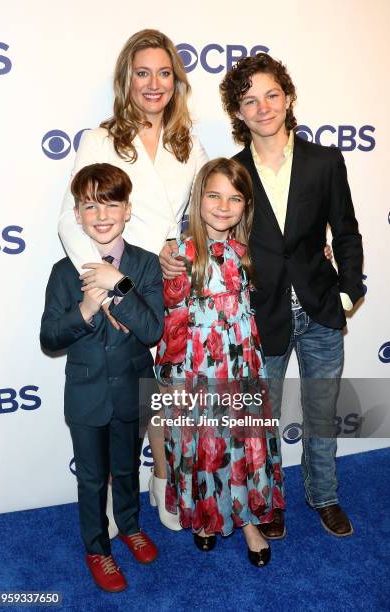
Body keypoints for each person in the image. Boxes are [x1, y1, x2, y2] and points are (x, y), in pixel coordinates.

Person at [161, 53, 364, 539]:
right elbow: (206, 230)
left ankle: (325, 495)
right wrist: (171, 255)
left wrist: (347, 294)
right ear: (239, 112)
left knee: (320, 408)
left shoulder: (324, 160)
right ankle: (264, 502)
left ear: (288, 97)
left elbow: (348, 233)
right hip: (256, 319)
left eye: (271, 95)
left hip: (319, 309)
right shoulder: (233, 171)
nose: (263, 107)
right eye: (250, 101)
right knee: (258, 418)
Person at [58, 29, 207, 533]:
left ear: (176, 80)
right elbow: (69, 219)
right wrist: (100, 293)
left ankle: (161, 483)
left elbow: (209, 211)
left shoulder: (189, 141)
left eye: (164, 72)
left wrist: (181, 248)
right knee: (115, 398)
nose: (154, 83)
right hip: (114, 281)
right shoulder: (102, 138)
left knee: (159, 394)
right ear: (126, 79)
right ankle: (103, 502)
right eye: (142, 72)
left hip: (166, 281)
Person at [155, 158, 285, 567]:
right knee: (203, 445)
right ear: (199, 198)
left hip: (243, 367)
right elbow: (172, 320)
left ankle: (247, 521)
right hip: (198, 371)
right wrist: (172, 377)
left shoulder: (245, 251)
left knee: (242, 445)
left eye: (234, 198)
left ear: (245, 206)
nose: (223, 206)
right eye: (214, 195)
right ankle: (206, 517)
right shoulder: (178, 254)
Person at [41, 163, 163, 592]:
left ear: (128, 209)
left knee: (127, 468)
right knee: (93, 478)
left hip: (132, 389)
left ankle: (129, 525)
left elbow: (153, 330)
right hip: (87, 395)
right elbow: (49, 336)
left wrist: (120, 285)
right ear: (77, 215)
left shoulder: (146, 266)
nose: (102, 214)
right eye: (90, 205)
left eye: (111, 203)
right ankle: (97, 548)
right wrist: (85, 311)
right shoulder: (63, 272)